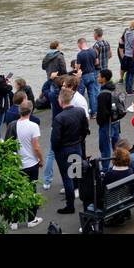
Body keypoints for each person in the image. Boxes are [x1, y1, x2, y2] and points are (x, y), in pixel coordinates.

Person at [50, 87, 89, 215]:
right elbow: (85, 129)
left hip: (63, 150)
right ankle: (85, 202)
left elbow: (55, 139)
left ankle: (70, 205)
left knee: (67, 177)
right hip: (76, 146)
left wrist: (57, 150)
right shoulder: (80, 112)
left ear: (61, 101)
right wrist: (79, 140)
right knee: (77, 174)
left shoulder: (59, 118)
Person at [11, 102, 44, 230]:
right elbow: (36, 146)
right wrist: (41, 159)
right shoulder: (33, 126)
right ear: (31, 110)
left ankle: (13, 221)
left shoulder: (14, 125)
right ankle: (31, 219)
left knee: (17, 192)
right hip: (31, 163)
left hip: (18, 163)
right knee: (31, 190)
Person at [95, 69, 122, 160]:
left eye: (99, 76)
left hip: (107, 124)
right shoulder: (114, 88)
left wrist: (99, 122)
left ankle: (105, 169)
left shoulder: (102, 94)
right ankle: (120, 164)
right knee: (117, 146)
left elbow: (102, 113)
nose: (97, 78)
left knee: (105, 148)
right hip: (116, 121)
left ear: (104, 79)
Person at [75, 37, 100, 117]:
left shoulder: (80, 54)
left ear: (80, 44)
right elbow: (97, 62)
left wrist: (76, 66)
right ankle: (94, 113)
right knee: (92, 94)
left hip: (83, 76)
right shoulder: (93, 51)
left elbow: (78, 67)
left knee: (81, 95)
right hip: (92, 75)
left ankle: (82, 112)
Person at [117, 21, 134, 96]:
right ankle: (129, 91)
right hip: (132, 57)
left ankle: (128, 89)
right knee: (131, 74)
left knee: (128, 73)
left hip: (126, 55)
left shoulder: (126, 33)